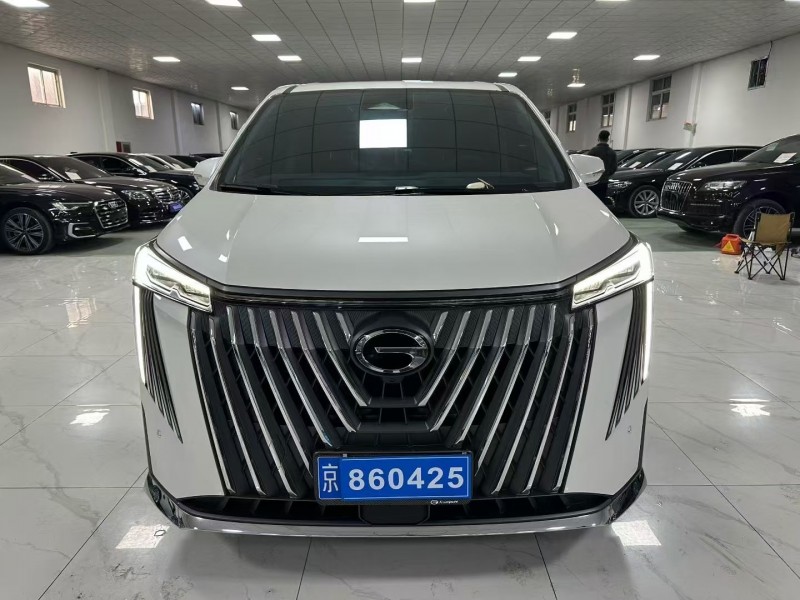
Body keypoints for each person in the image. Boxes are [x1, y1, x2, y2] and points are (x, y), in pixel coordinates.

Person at [585, 130, 617, 201]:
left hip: (592, 181)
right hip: (604, 181)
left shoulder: (593, 151)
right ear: (608, 139)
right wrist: (606, 174)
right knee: (601, 201)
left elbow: (586, 165)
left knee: (591, 200)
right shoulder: (612, 152)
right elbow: (614, 168)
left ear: (598, 138)